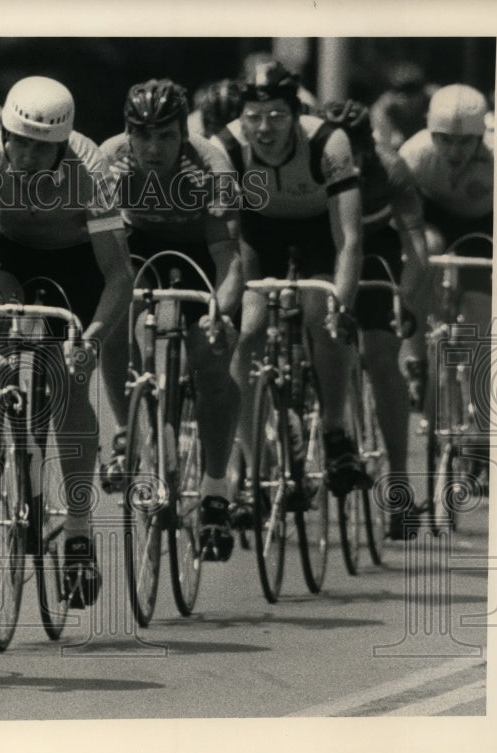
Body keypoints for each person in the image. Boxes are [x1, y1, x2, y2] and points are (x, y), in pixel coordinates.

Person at [0, 75, 133, 607]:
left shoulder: (91, 172)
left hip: (78, 263)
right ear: (4, 134)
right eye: (21, 141)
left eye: (44, 147)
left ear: (62, 146)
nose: (30, 154)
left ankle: (80, 530)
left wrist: (91, 337)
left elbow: (118, 277)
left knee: (69, 382)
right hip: (8, 255)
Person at [210, 61, 368, 509]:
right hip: (259, 237)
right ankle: (252, 462)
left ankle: (336, 433)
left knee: (322, 318)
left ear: (296, 114)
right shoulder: (228, 146)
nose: (264, 127)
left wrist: (343, 301)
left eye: (277, 116)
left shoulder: (327, 141)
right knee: (249, 330)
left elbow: (350, 239)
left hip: (319, 233)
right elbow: (226, 236)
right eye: (254, 117)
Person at [99, 78, 244, 561]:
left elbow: (230, 265)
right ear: (128, 133)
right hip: (140, 244)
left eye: (166, 136)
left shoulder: (211, 165)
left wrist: (219, 312)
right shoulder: (110, 161)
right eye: (143, 135)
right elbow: (108, 258)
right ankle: (127, 432)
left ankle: (216, 488)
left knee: (211, 365)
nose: (154, 148)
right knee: (116, 317)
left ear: (184, 133)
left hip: (202, 247)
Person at [320, 99, 429, 539]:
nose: (354, 163)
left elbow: (417, 249)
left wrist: (403, 297)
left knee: (382, 360)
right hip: (326, 249)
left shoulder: (391, 169)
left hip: (377, 255)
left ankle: (399, 487)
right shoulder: (315, 161)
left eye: (360, 154)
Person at [399, 84, 494, 483]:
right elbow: (400, 217)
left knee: (479, 318)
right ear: (430, 134)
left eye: (464, 143)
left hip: (486, 224)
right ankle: (417, 353)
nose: (454, 152)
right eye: (445, 140)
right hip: (432, 220)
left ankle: (482, 427)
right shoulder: (414, 154)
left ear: (480, 138)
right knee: (424, 255)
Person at [369, 61, 431, 152]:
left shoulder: (434, 100)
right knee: (396, 141)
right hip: (397, 156)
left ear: (422, 91)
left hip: (429, 154)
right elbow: (380, 148)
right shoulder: (383, 109)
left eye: (413, 90)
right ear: (392, 93)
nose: (408, 99)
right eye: (401, 91)